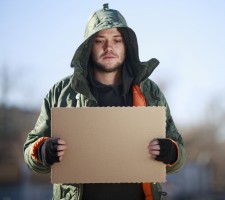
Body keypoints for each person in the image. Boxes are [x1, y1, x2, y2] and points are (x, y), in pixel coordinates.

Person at [23, 3, 185, 200]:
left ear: (127, 45)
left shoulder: (149, 91)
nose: (109, 47)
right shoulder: (61, 93)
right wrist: (42, 150)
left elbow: (179, 152)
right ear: (89, 47)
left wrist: (170, 152)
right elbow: (30, 150)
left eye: (117, 40)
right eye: (100, 41)